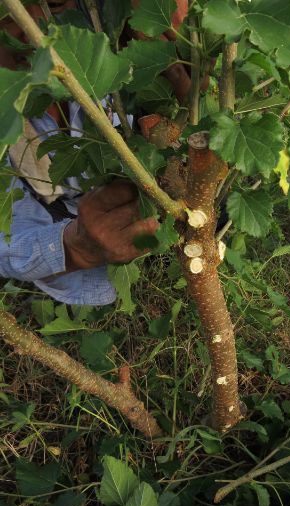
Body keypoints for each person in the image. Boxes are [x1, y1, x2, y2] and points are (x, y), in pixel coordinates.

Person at [0, 0, 188, 305]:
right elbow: (4, 246)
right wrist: (76, 247)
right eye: (6, 18)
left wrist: (183, 77)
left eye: (51, 4)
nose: (30, 24)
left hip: (168, 233)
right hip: (82, 278)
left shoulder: (100, 30)